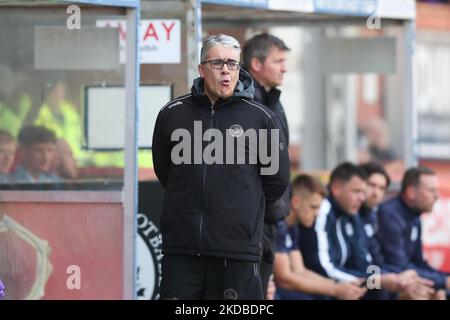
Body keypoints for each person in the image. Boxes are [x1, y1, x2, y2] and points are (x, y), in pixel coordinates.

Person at [152, 34, 290, 300]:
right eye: (217, 63)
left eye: (233, 64)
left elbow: (276, 182)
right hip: (182, 249)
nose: (226, 71)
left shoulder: (261, 118)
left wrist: (242, 210)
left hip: (237, 251)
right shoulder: (172, 113)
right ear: (202, 69)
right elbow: (166, 171)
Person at [243, 33, 291, 297]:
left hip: (272, 218)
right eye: (278, 61)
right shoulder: (245, 103)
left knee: (263, 291)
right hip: (253, 220)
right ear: (256, 64)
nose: (285, 67)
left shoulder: (273, 100)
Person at [274, 174, 366, 300]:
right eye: (313, 207)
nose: (317, 213)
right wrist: (334, 290)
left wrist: (339, 285)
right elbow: (284, 278)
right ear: (295, 202)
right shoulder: (279, 226)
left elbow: (300, 270)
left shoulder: (293, 227)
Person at [359, 162, 436, 299]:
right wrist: (388, 282)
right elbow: (346, 270)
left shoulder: (371, 218)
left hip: (372, 283)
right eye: (371, 185)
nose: (376, 193)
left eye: (382, 188)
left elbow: (377, 264)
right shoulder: (385, 215)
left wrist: (402, 279)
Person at [378, 167, 450, 299]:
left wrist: (445, 278)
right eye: (431, 190)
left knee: (439, 292)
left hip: (399, 279)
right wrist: (443, 282)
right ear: (411, 192)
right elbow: (398, 265)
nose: (437, 196)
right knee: (426, 293)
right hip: (382, 283)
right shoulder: (390, 215)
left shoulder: (414, 216)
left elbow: (418, 262)